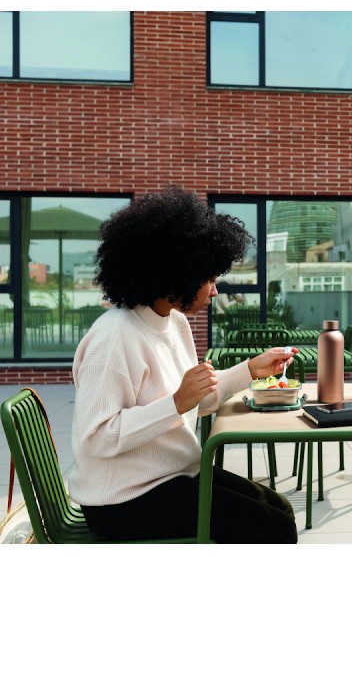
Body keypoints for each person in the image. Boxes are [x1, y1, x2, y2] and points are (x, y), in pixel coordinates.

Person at [70, 185, 299, 544]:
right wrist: (176, 403)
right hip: (122, 499)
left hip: (171, 476)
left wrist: (252, 369)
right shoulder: (114, 338)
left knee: (279, 507)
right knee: (275, 528)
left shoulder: (174, 322)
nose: (215, 290)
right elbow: (97, 438)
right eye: (209, 278)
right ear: (177, 273)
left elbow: (198, 401)